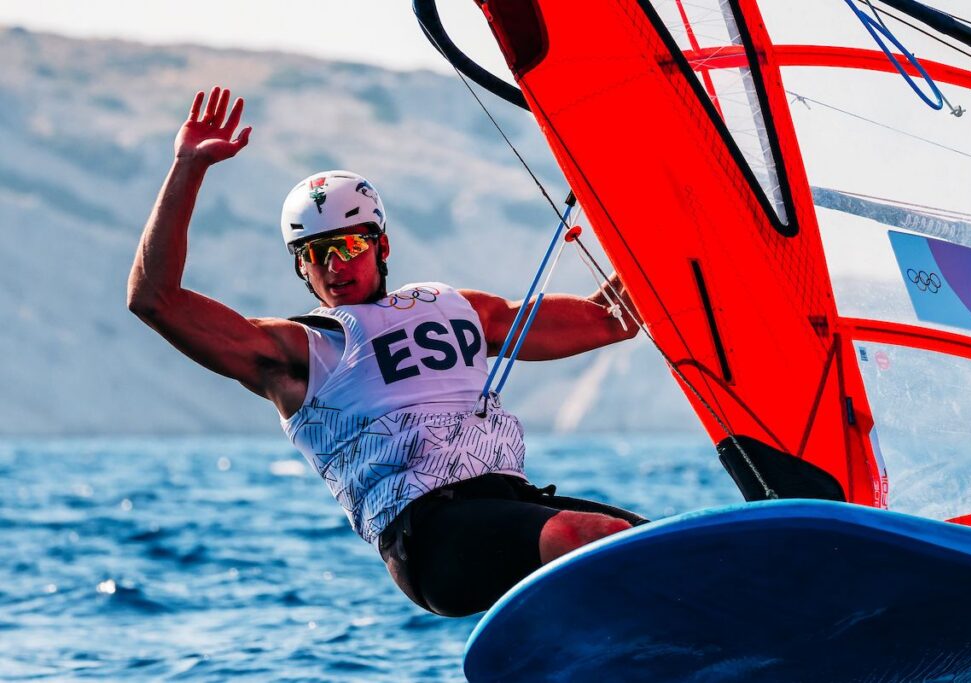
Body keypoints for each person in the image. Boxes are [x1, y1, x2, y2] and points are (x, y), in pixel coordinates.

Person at [128, 86, 646, 617]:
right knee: (585, 536)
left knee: (659, 545)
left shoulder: (456, 308)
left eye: (350, 245)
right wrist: (188, 167)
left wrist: (666, 204)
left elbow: (612, 319)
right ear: (301, 267)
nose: (335, 266)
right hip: (428, 539)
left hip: (513, 505)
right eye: (316, 254)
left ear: (382, 246)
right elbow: (155, 300)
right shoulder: (299, 352)